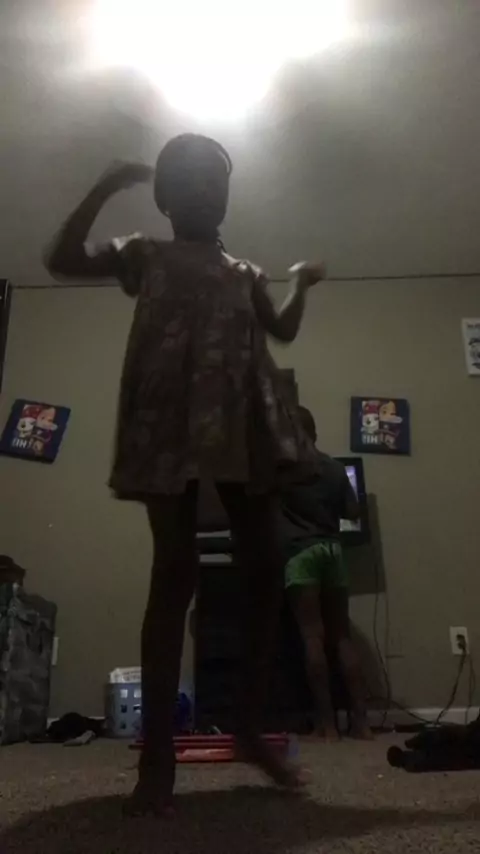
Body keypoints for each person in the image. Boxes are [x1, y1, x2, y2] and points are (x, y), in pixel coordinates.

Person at [45, 134, 325, 815]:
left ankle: (249, 727)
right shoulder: (145, 252)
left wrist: (300, 283)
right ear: (164, 198)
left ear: (227, 194)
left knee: (267, 563)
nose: (203, 187)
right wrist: (107, 183)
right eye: (187, 179)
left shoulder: (246, 271)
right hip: (168, 415)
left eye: (213, 178)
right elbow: (61, 259)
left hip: (242, 417)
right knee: (174, 568)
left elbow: (282, 331)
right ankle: (159, 758)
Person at [281, 406, 372, 741]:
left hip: (301, 553)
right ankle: (361, 723)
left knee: (312, 637)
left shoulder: (283, 473)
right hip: (333, 551)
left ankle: (327, 724)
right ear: (315, 432)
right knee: (342, 636)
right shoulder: (334, 468)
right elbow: (353, 511)